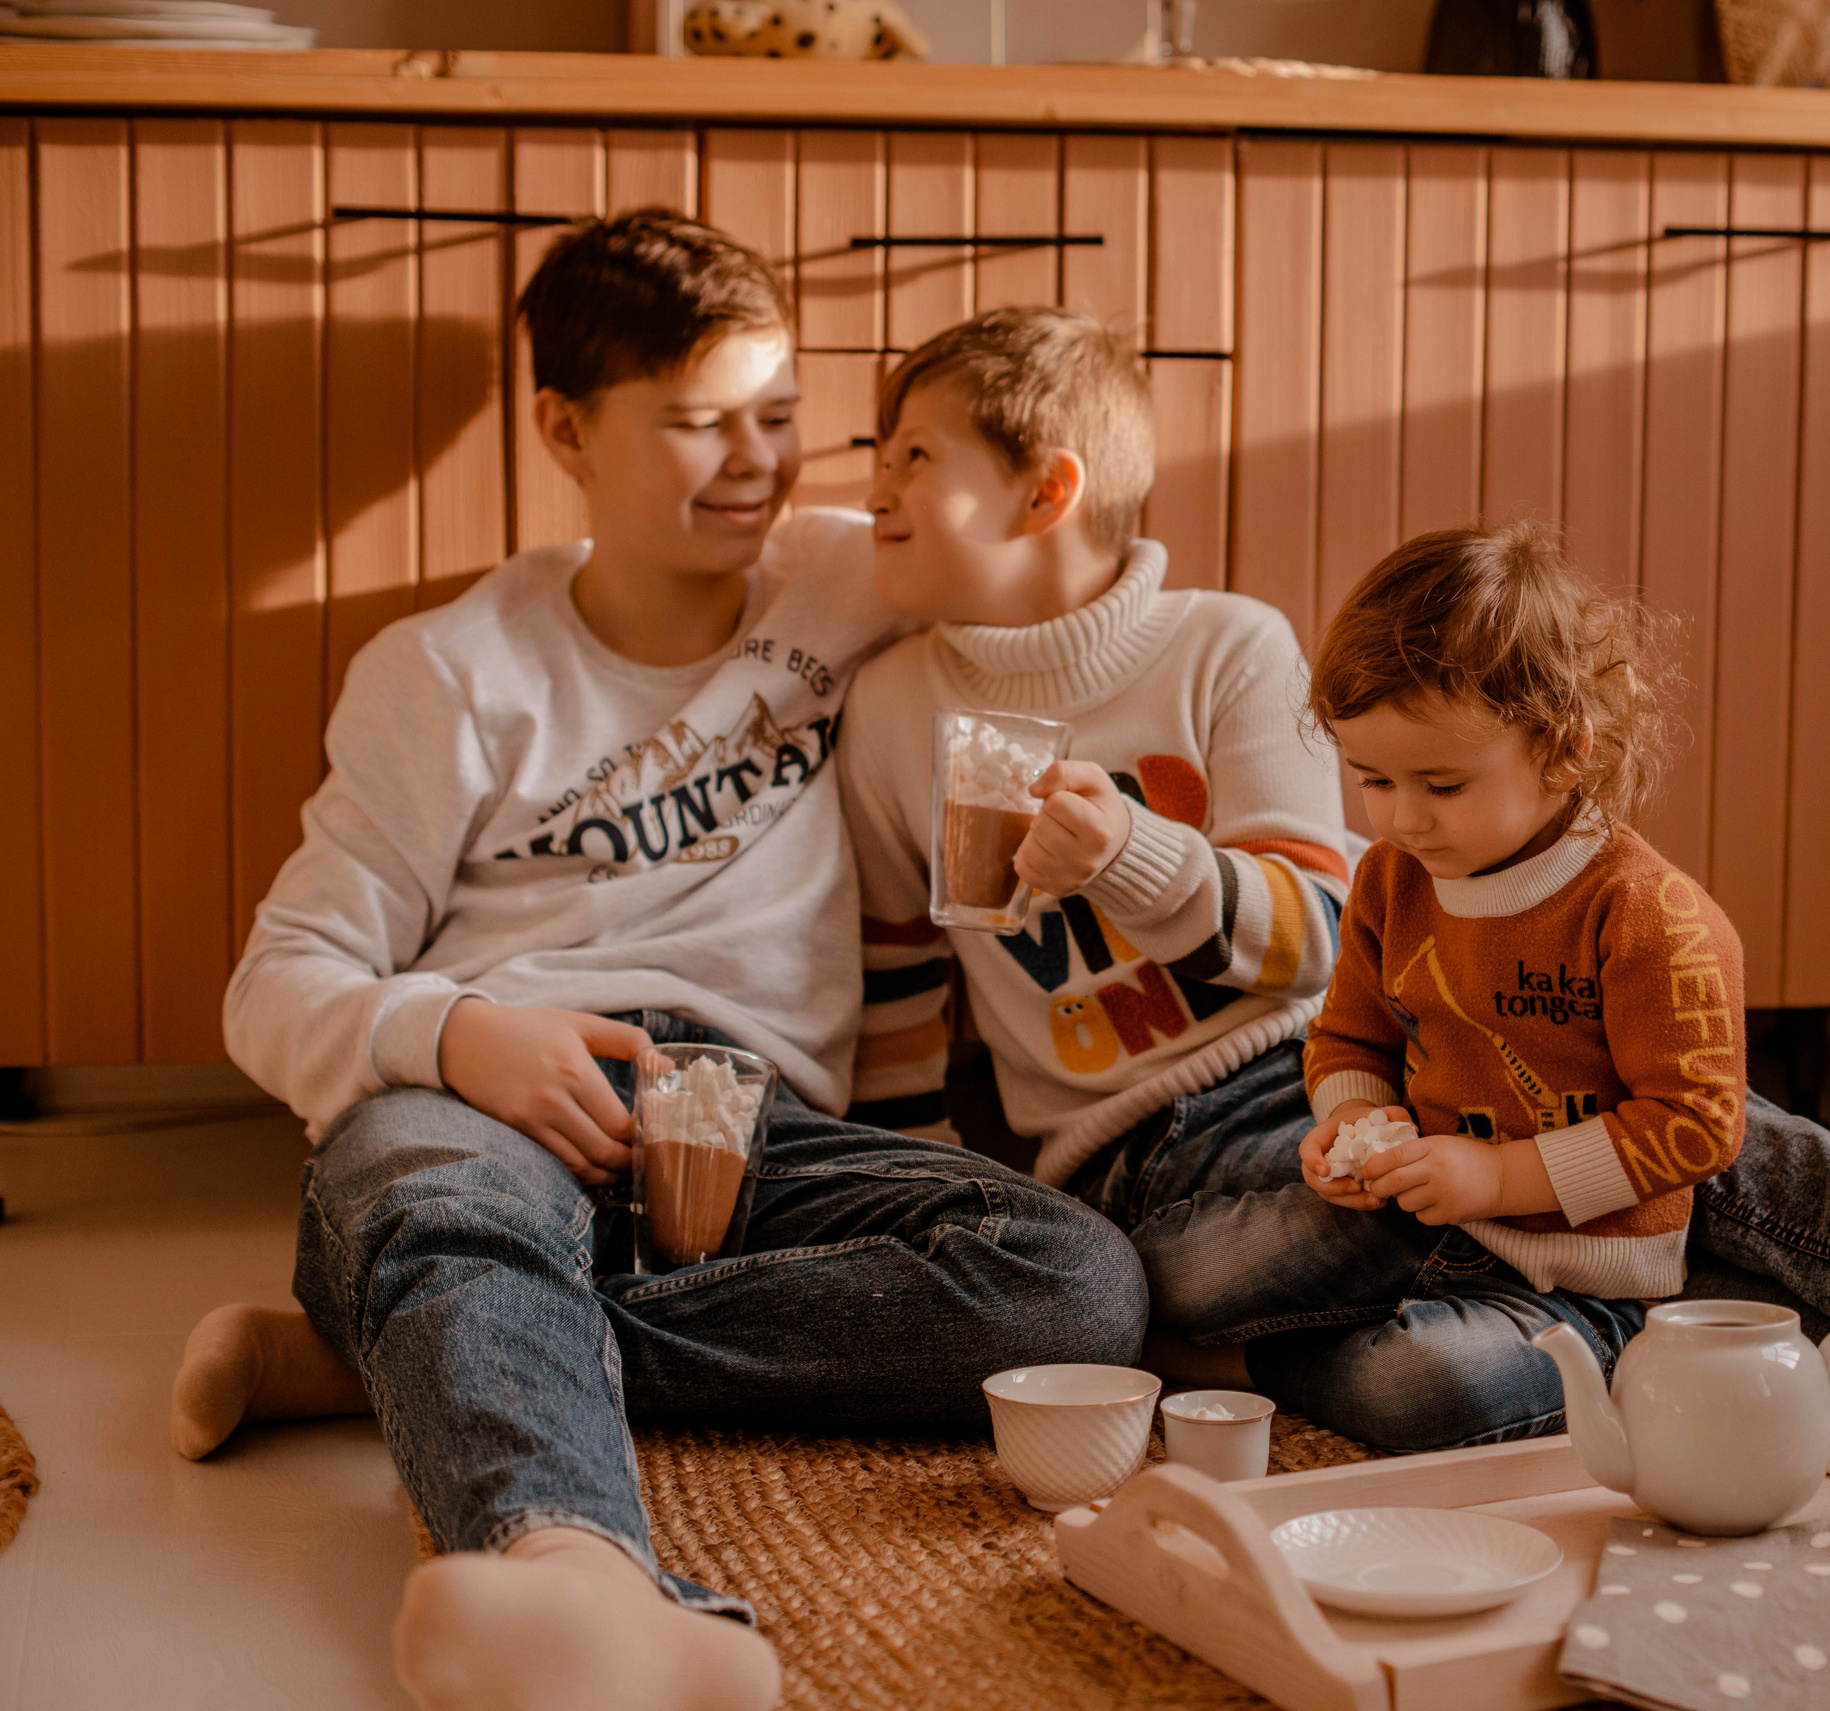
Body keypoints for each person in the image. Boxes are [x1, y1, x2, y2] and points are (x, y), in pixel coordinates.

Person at [843, 315, 1830, 1453]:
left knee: (1677, 1133)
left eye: (912, 452)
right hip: (1154, 1156)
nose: (870, 483)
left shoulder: (1227, 648)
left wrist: (1138, 860)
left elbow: (1326, 944)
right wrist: (945, 1195)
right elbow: (899, 975)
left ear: (1045, 488)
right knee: (1410, 1235)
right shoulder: (895, 706)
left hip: (1347, 1069)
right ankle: (1733, 1350)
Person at [171, 212, 1146, 1711]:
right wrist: (459, 1038)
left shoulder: (845, 572)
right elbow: (278, 981)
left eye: (776, 415)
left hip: (748, 1116)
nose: (755, 461)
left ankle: (394, 1338)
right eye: (697, 425)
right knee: (435, 1196)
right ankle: (587, 1584)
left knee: (1072, 1285)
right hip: (488, 1099)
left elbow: (1053, 548)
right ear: (566, 427)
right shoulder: (449, 674)